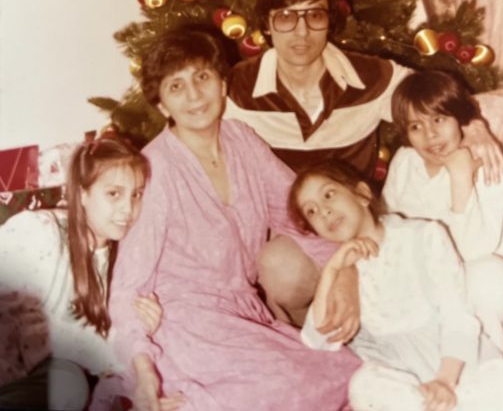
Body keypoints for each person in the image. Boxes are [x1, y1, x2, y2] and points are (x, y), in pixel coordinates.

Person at [94, 28, 360, 411]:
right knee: (282, 388)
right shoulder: (154, 169)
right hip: (187, 323)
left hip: (244, 314)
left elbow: (299, 214)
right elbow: (127, 287)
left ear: (222, 84)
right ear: (163, 105)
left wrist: (344, 267)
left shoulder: (243, 139)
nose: (194, 95)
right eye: (176, 86)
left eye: (202, 77)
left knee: (349, 371)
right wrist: (142, 366)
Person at [225, 0, 503, 323]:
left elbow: (434, 99)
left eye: (314, 16)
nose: (301, 31)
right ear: (265, 23)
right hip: (291, 235)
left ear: (331, 21)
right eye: (285, 17)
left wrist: (475, 126)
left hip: (360, 224)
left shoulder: (371, 77)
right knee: (281, 272)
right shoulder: (237, 89)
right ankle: (306, 336)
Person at [289, 160, 503, 411]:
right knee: (364, 385)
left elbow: (458, 313)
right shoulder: (342, 270)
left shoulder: (423, 235)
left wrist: (445, 381)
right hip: (410, 388)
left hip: (460, 368)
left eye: (328, 195)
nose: (323, 211)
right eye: (311, 211)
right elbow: (317, 340)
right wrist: (333, 270)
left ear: (362, 194)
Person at [0, 132, 158, 411]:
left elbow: (84, 337)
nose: (128, 208)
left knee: (69, 382)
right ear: (83, 194)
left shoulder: (113, 258)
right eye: (114, 194)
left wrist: (143, 329)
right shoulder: (39, 232)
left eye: (136, 194)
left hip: (41, 381)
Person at [383, 69, 503, 356]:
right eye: (415, 127)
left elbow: (473, 250)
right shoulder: (405, 162)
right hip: (423, 280)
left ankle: (497, 366)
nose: (430, 135)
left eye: (438, 120)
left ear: (460, 120)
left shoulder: (486, 162)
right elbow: (390, 228)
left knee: (485, 278)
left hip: (482, 281)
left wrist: (461, 180)